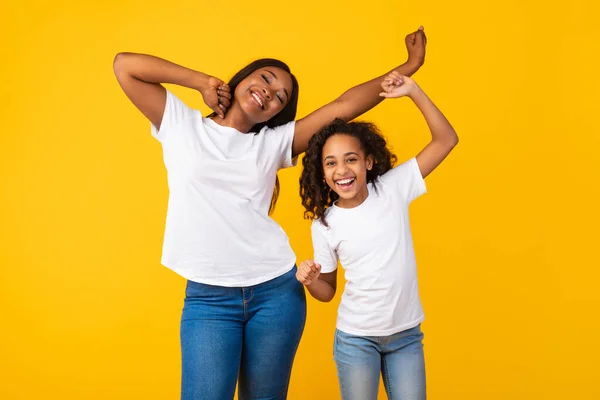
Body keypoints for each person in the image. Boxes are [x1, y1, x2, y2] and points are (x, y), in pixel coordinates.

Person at [113, 27, 426, 400]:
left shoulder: (273, 144)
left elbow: (343, 107)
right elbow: (124, 66)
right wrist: (200, 81)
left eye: (281, 97)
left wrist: (409, 67)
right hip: (209, 299)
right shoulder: (181, 124)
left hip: (276, 294)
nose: (270, 93)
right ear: (244, 77)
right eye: (265, 78)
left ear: (278, 112)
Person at [296, 72, 458, 400]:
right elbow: (327, 291)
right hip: (356, 340)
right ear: (322, 173)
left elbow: (446, 140)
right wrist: (310, 279)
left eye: (351, 159)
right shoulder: (325, 224)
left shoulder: (392, 189)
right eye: (331, 163)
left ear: (368, 162)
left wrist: (414, 91)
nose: (341, 170)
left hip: (406, 337)